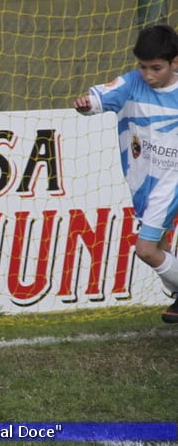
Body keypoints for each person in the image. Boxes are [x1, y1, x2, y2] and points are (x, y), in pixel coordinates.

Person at [73, 23, 178, 323]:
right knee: (160, 246)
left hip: (172, 182)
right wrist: (85, 104)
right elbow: (98, 98)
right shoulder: (132, 84)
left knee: (145, 250)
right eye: (143, 67)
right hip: (144, 182)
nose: (148, 75)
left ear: (175, 62)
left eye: (156, 68)